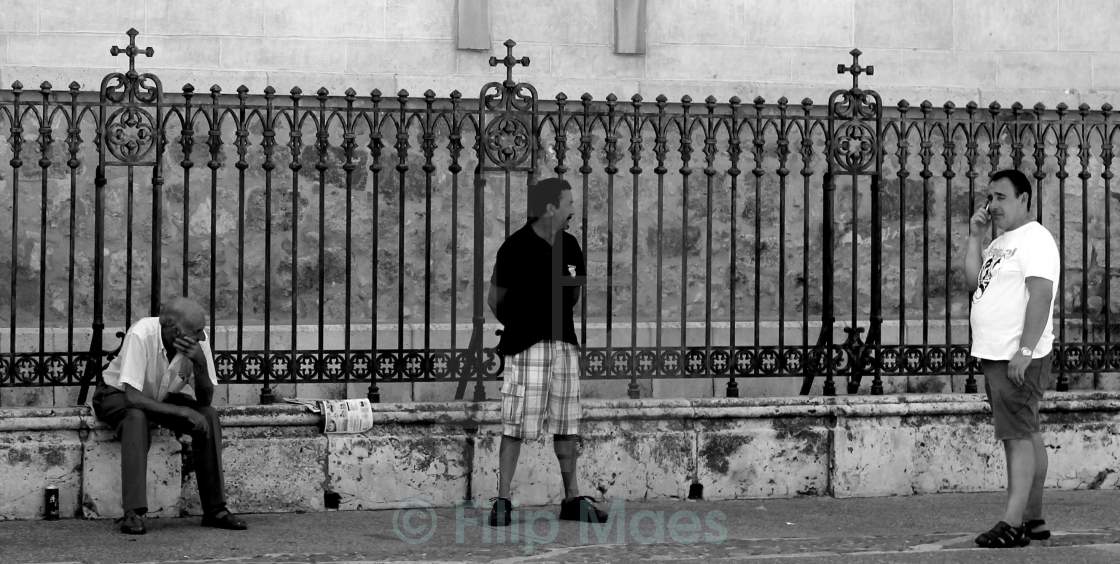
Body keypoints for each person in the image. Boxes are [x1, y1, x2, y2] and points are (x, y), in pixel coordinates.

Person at [486, 177, 608, 526]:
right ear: (551, 207)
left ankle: (572, 499)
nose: (573, 209)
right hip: (526, 347)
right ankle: (503, 499)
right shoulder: (515, 247)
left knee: (567, 425)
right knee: (515, 424)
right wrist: (522, 324)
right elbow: (495, 299)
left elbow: (573, 295)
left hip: (564, 345)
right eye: (568, 202)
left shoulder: (570, 246)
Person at [92, 297, 247, 535]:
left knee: (208, 416)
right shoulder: (141, 334)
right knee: (136, 418)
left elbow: (205, 400)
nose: (202, 337)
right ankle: (133, 513)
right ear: (174, 329)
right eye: (196, 332)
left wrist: (201, 364)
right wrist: (181, 411)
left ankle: (215, 510)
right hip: (117, 394)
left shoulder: (196, 343)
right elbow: (133, 397)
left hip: (160, 397)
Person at [965, 169, 1060, 548]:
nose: (993, 205)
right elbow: (975, 283)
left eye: (1001, 197)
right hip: (996, 353)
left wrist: (1024, 350)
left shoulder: (1035, 239)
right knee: (1026, 432)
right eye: (990, 197)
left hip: (1015, 356)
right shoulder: (1003, 241)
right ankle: (1033, 519)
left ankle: (1012, 523)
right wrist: (975, 238)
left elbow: (1041, 295)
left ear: (1024, 199)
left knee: (1016, 437)